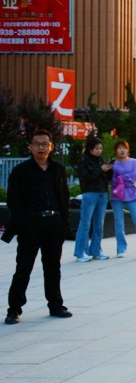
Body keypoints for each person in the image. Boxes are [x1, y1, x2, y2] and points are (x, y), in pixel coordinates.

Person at [4, 130, 73, 324]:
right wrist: (23, 224)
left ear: (51, 147)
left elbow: (64, 196)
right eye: (37, 144)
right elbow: (13, 200)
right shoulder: (21, 171)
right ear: (30, 147)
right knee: (23, 268)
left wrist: (63, 221)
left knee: (53, 268)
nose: (41, 147)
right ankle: (14, 309)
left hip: (54, 223)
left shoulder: (58, 169)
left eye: (44, 144)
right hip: (31, 224)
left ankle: (55, 305)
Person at [73, 136, 112, 262]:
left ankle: (96, 250)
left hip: (102, 193)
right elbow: (86, 178)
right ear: (90, 149)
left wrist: (109, 169)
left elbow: (107, 178)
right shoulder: (84, 161)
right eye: (96, 148)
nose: (99, 151)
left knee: (99, 224)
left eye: (100, 148)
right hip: (90, 193)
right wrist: (101, 170)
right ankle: (80, 252)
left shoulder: (100, 160)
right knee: (85, 223)